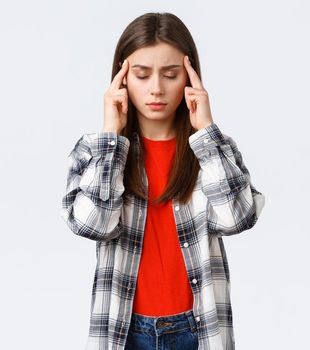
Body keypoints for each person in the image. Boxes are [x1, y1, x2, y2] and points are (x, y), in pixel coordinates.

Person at [60, 12, 265, 350]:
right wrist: (112, 138)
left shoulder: (212, 149)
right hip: (124, 330)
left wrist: (206, 133)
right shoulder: (96, 151)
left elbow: (238, 217)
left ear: (190, 77)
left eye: (170, 75)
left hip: (199, 328)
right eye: (142, 75)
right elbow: (91, 225)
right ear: (122, 80)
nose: (156, 88)